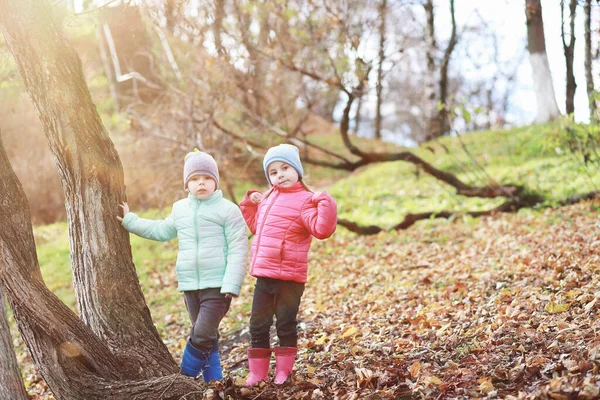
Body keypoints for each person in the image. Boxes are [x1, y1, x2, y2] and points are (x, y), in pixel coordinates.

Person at [117, 149, 248, 382]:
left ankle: (183, 378)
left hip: (218, 286)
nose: (201, 183)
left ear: (215, 182)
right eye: (195, 179)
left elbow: (239, 248)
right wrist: (131, 221)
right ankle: (214, 383)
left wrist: (232, 283)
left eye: (207, 178)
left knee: (201, 334)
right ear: (187, 184)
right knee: (209, 339)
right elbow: (160, 230)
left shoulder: (228, 210)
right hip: (190, 286)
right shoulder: (180, 209)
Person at [240, 144, 337, 385]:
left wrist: (325, 202)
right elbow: (256, 227)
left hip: (290, 279)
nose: (279, 175)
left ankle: (283, 371)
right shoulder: (268, 198)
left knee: (285, 324)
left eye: (284, 168)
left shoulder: (306, 201)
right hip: (264, 276)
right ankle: (258, 373)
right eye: (273, 172)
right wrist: (251, 204)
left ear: (297, 170)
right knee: (258, 325)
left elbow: (322, 230)